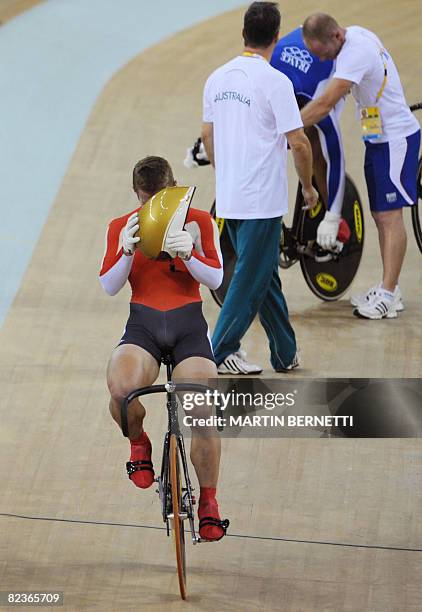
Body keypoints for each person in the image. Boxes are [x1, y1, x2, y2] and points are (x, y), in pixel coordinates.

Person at [99, 156, 228, 541]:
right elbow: (108, 286)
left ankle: (208, 501)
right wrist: (125, 251)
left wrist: (190, 253)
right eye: (146, 201)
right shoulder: (122, 226)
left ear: (174, 189)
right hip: (144, 327)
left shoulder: (200, 221)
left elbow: (217, 277)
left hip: (189, 329)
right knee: (122, 391)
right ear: (137, 195)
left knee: (203, 408)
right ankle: (139, 441)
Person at [201, 2, 318, 375]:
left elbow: (207, 133)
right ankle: (216, 353)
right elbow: (299, 143)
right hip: (262, 202)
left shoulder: (217, 78)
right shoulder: (275, 82)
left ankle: (285, 352)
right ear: (277, 37)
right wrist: (309, 187)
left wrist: (225, 173)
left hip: (231, 198)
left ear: (243, 34)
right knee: (249, 281)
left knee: (264, 276)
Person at [300, 14, 421, 319]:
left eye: (321, 53)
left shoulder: (354, 53)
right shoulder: (351, 37)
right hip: (377, 138)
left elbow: (326, 103)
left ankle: (389, 294)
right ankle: (388, 287)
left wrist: (287, 127)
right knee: (380, 215)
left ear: (336, 38)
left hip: (396, 140)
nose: (320, 59)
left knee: (391, 217)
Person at [270, 26, 346, 250]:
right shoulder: (270, 71)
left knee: (315, 143)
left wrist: (334, 215)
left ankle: (333, 217)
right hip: (292, 72)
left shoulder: (316, 90)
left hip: (318, 84)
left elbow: (335, 150)